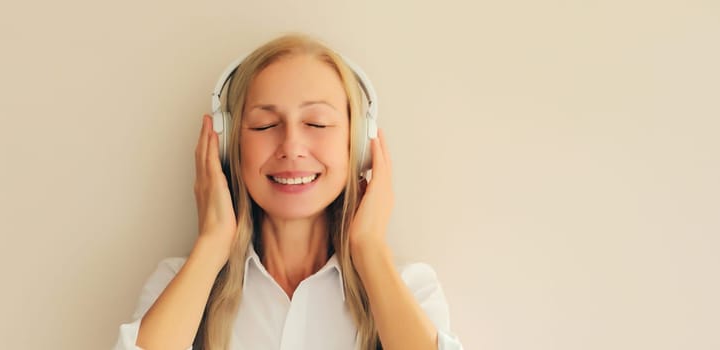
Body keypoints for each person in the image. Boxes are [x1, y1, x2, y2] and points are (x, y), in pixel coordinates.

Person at [113, 33, 463, 350]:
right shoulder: (180, 284)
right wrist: (213, 243)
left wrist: (369, 247)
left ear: (357, 146)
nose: (291, 146)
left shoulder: (410, 287)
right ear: (229, 145)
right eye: (265, 125)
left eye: (317, 124)